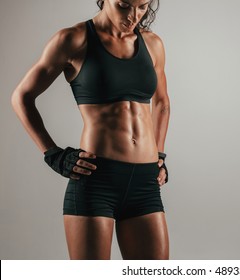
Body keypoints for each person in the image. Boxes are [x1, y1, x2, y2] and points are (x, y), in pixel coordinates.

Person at [11, 0, 170, 260]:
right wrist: (52, 153)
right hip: (96, 181)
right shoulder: (73, 40)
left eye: (142, 6)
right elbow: (21, 97)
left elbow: (162, 103)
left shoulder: (153, 44)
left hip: (144, 184)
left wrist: (159, 156)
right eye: (124, 5)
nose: (134, 15)